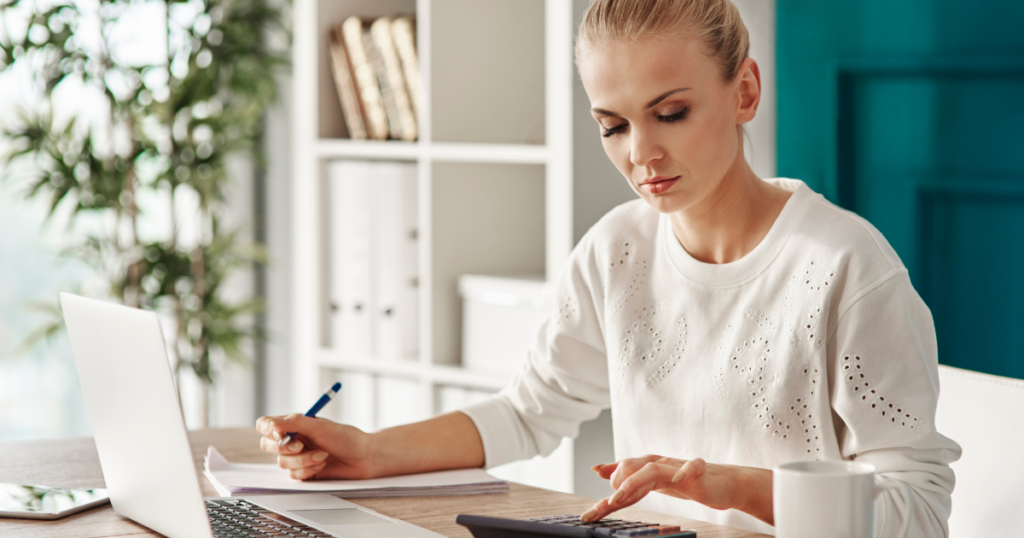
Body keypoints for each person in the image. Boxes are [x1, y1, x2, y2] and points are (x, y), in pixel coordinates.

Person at [256, 0, 961, 535]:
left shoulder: (846, 267)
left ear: (744, 91)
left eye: (672, 113)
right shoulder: (615, 251)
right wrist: (370, 452)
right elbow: (528, 412)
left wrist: (732, 487)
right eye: (614, 126)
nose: (641, 155)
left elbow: (920, 512)